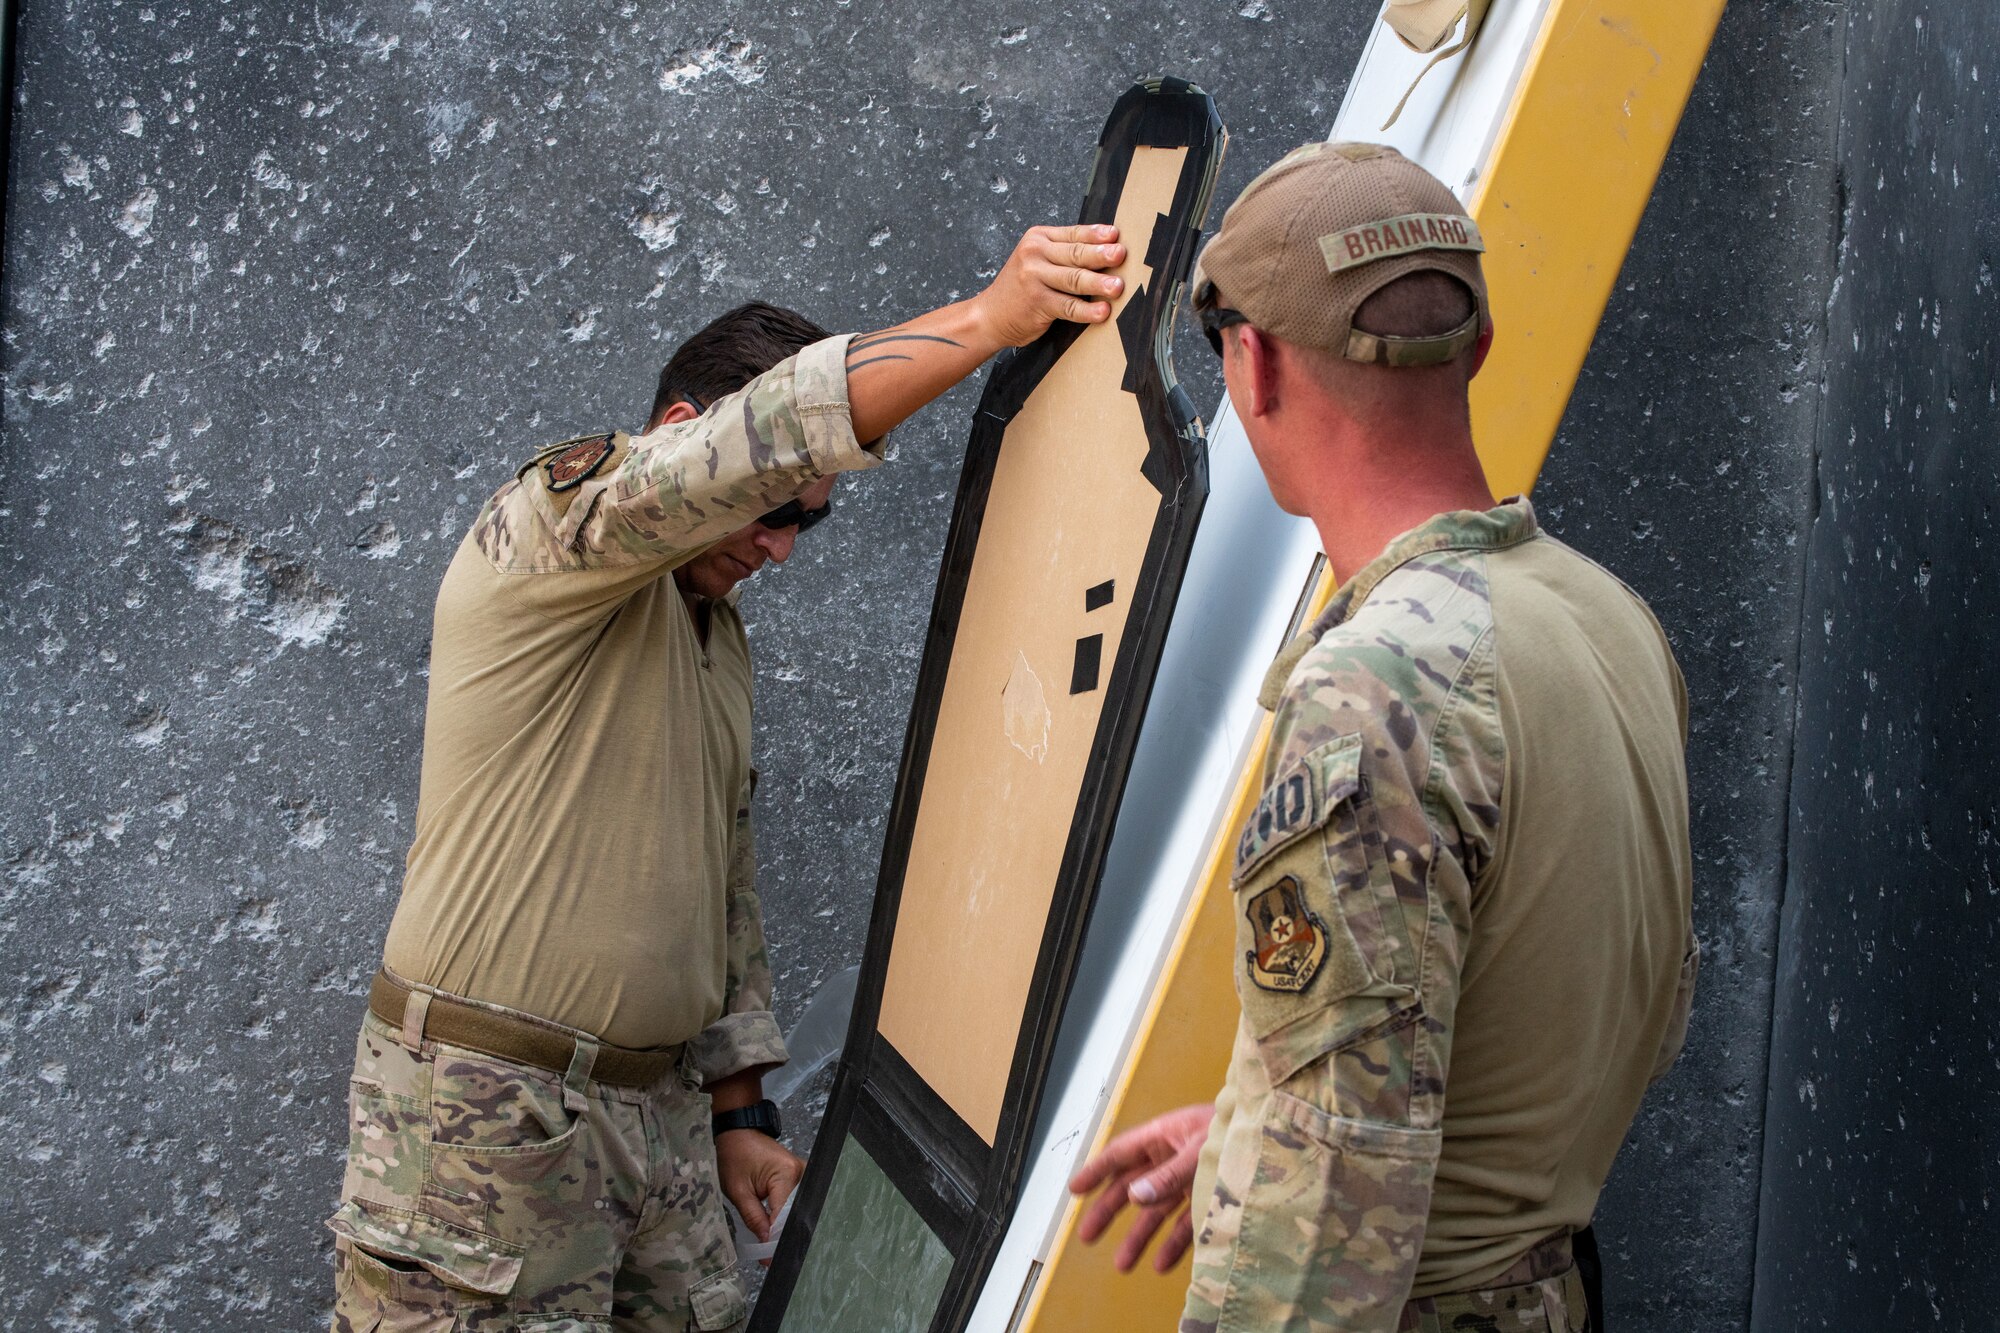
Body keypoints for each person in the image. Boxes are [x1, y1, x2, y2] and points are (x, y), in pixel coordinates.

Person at [326, 221, 1132, 1333]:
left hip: (652, 1123)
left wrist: (736, 1108)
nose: (785, 547)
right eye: (780, 507)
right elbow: (762, 433)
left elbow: (720, 880)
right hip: (488, 1118)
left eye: (811, 522)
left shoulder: (711, 629)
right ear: (679, 438)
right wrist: (990, 321)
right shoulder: (559, 530)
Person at [1067, 142, 1698, 1333]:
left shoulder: (1375, 685)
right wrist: (1261, 1114)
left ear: (1249, 364)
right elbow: (1609, 1010)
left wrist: (1304, 1134)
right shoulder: (1603, 616)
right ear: (1477, 348)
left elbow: (1324, 1224)